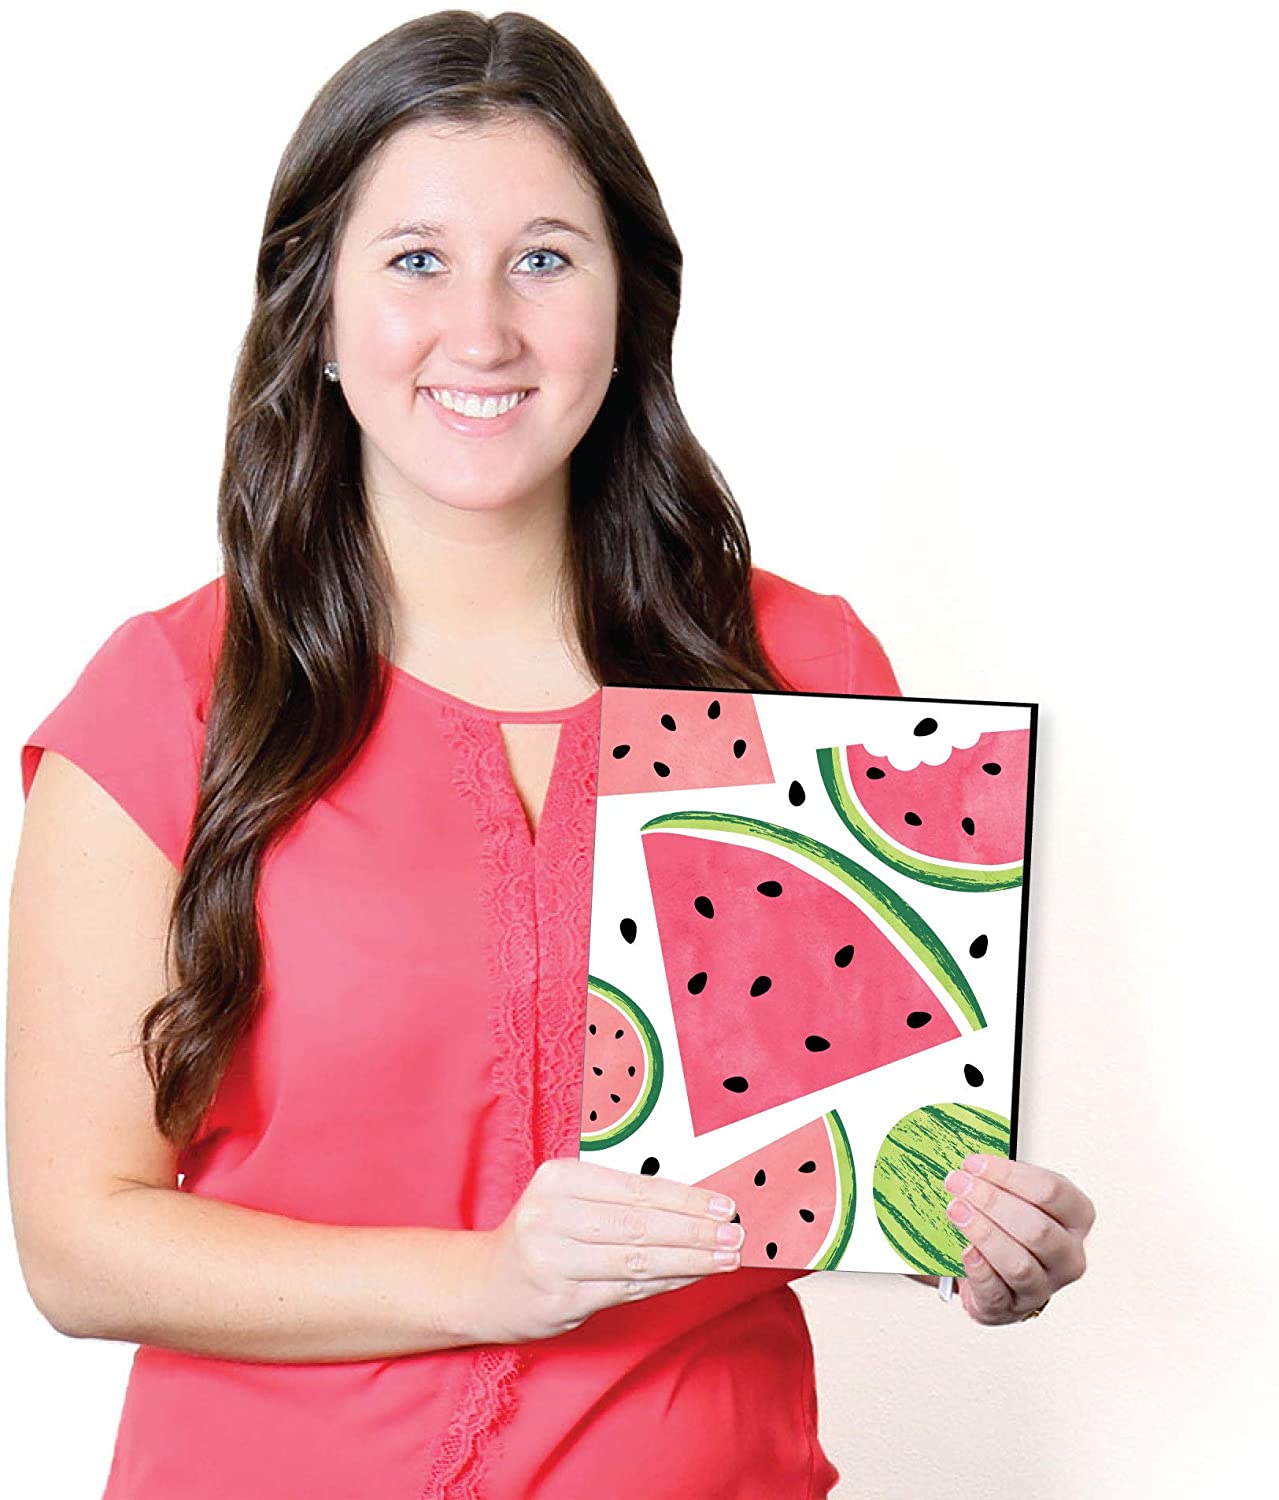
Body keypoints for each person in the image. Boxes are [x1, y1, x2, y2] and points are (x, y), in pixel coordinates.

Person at [7, 11, 1095, 1497]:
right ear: (315, 312)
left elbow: (839, 1160)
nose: (483, 333)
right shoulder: (166, 701)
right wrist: (488, 1280)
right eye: (414, 260)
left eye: (543, 258)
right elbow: (78, 1243)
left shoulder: (804, 670)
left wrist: (971, 1233)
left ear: (629, 303)